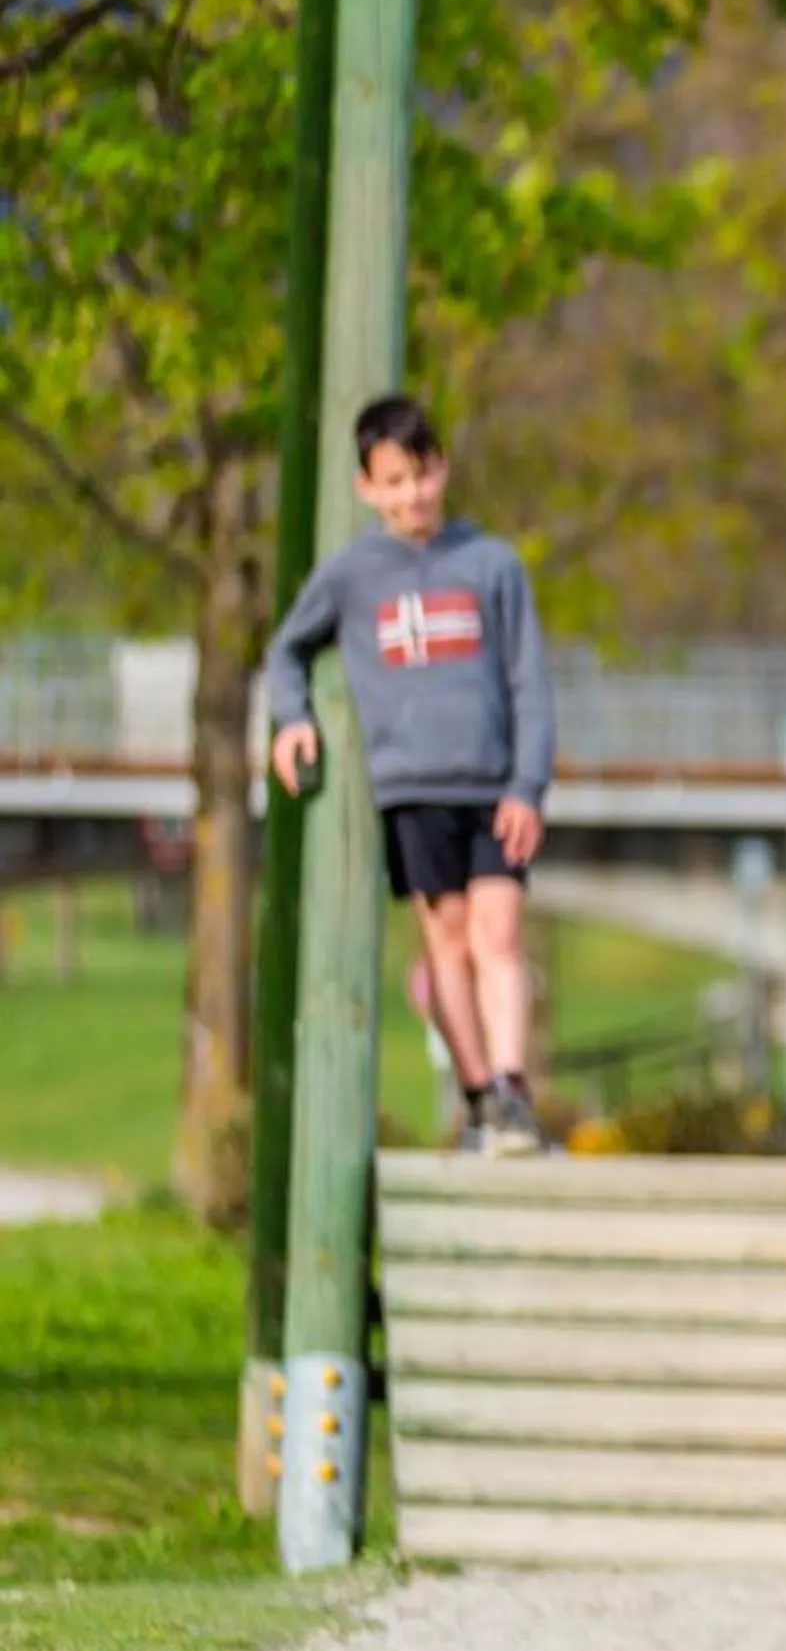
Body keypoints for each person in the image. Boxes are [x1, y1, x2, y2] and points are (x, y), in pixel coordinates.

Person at [263, 394, 556, 1156]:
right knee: (448, 940)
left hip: (493, 787)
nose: (411, 496)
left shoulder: (492, 564)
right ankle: (478, 1100)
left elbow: (530, 681)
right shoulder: (352, 575)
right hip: (413, 791)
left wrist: (528, 784)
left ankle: (515, 1091)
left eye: (421, 477)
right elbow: (285, 649)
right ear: (367, 487)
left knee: (500, 933)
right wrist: (292, 720)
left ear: (443, 469)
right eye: (393, 482)